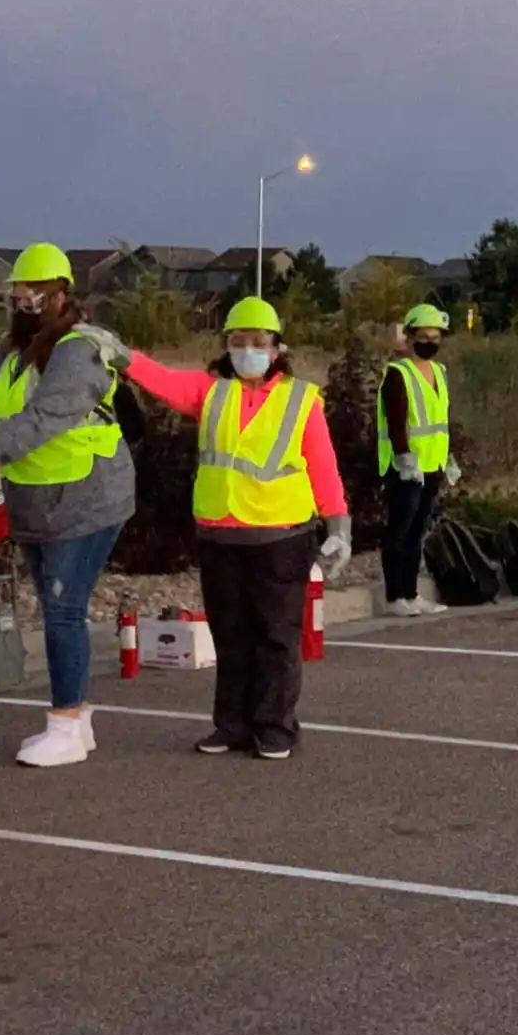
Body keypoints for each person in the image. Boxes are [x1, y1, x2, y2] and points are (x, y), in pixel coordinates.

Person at [122, 297, 350, 760]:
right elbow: (164, 382)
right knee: (231, 636)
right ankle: (232, 726)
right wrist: (122, 357)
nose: (247, 349)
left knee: (276, 637)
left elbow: (322, 467)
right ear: (226, 346)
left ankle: (275, 728)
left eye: (258, 342)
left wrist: (339, 525)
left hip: (281, 537)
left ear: (277, 348)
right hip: (220, 536)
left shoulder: (300, 400)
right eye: (237, 341)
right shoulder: (212, 392)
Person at [0, 244, 136, 768]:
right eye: (19, 296)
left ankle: (66, 727)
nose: (26, 305)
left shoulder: (78, 350)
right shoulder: (12, 349)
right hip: (35, 501)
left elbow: (45, 418)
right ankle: (80, 721)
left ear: (61, 294)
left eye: (37, 297)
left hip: (87, 495)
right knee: (56, 609)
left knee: (63, 611)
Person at [378, 304, 463, 617]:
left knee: (417, 531)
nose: (431, 342)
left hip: (433, 464)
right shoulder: (398, 374)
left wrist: (448, 457)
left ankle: (411, 594)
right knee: (400, 531)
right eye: (424, 336)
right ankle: (394, 596)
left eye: (436, 336)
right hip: (406, 466)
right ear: (410, 337)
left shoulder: (439, 372)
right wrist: (403, 457)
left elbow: (440, 419)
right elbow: (396, 420)